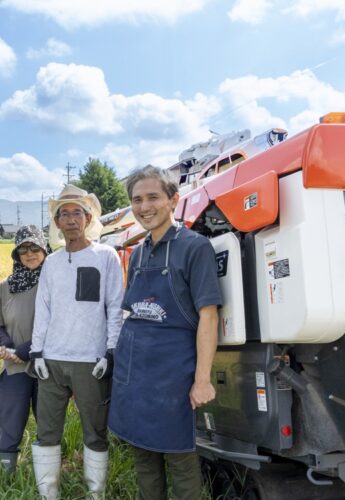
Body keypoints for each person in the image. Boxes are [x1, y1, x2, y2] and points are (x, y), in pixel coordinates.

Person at [108, 165, 222, 500]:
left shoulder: (194, 247)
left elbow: (209, 317)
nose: (144, 206)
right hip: (135, 372)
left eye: (153, 197)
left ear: (174, 200)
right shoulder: (140, 251)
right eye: (137, 199)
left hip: (173, 373)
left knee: (181, 458)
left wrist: (202, 380)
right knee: (143, 456)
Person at [28, 185, 124, 499]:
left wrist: (110, 351)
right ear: (56, 222)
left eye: (76, 213)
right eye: (63, 214)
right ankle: (48, 493)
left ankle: (95, 493)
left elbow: (114, 305)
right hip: (52, 360)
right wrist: (37, 351)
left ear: (88, 217)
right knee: (46, 431)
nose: (70, 220)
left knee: (95, 431)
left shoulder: (105, 256)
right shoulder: (52, 263)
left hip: (91, 360)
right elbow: (42, 308)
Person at [0, 225, 49, 474]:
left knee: (48, 424)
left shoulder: (54, 282)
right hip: (13, 367)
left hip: (47, 365)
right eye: (23, 249)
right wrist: (8, 346)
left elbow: (57, 326)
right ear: (16, 254)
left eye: (35, 247)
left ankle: (45, 478)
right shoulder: (6, 285)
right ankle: (5, 478)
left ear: (44, 249)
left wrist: (23, 351)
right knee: (10, 422)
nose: (29, 253)